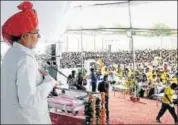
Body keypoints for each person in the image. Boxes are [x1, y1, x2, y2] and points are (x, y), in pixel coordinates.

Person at [1, 1, 57, 124]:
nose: (39, 36)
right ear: (24, 35)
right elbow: (28, 101)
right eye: (36, 32)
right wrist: (49, 82)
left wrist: (39, 77)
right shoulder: (25, 59)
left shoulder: (11, 54)